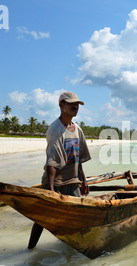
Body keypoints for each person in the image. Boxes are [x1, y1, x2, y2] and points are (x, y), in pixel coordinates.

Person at [28, 91, 91, 249]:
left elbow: (79, 158)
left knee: (79, 216)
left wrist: (84, 181)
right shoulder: (55, 129)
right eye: (71, 104)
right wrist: (50, 190)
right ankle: (30, 249)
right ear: (61, 105)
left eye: (77, 104)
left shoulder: (77, 129)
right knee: (41, 218)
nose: (75, 107)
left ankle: (74, 249)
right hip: (55, 182)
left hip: (73, 181)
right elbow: (52, 162)